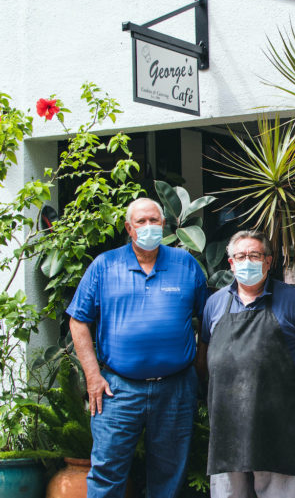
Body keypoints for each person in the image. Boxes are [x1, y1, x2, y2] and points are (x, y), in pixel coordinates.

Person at [67, 197, 208, 498]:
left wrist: (199, 373)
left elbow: (207, 320)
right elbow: (78, 321)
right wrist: (93, 376)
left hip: (175, 390)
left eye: (153, 221)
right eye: (140, 222)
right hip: (117, 389)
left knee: (169, 476)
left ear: (164, 224)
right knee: (107, 472)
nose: (148, 227)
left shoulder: (186, 265)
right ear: (129, 228)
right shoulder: (104, 266)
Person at [200, 230, 295, 498]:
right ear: (230, 263)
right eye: (241, 256)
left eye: (254, 255)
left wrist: (293, 367)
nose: (247, 261)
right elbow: (205, 351)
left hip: (281, 419)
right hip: (227, 420)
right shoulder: (215, 304)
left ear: (268, 261)